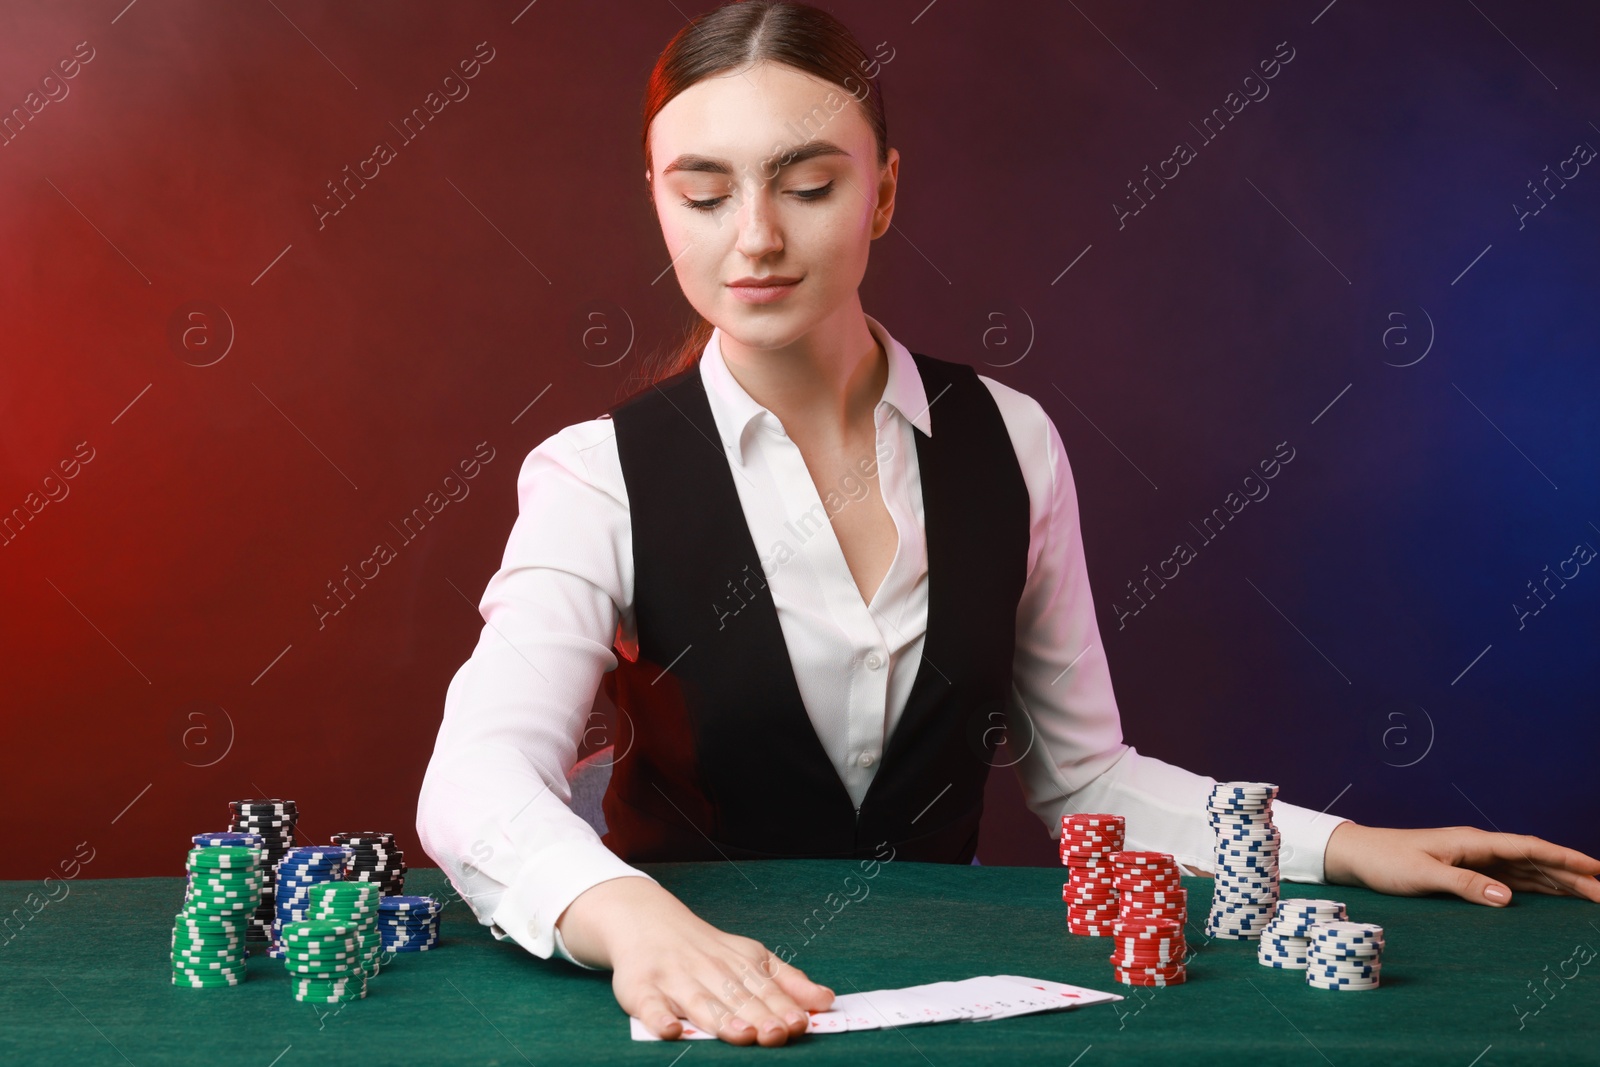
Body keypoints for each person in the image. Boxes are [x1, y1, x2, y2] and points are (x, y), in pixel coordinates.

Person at [417, 0, 1600, 1048]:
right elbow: (474, 780)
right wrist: (631, 922)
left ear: (882, 190)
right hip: (700, 1015)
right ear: (659, 204)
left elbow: (1085, 776)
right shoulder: (593, 474)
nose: (756, 238)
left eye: (809, 183)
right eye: (705, 191)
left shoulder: (1012, 439)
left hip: (949, 1006)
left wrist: (1350, 846)